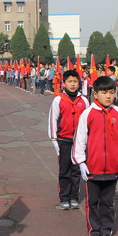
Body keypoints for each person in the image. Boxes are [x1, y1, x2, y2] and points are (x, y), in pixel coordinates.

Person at [73, 76, 118, 236]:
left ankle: (106, 230)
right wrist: (82, 162)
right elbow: (80, 139)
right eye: (104, 92)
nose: (108, 96)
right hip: (93, 168)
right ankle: (94, 230)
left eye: (111, 93)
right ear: (95, 94)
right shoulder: (88, 113)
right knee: (93, 201)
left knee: (108, 202)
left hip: (112, 167)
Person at [48, 70, 90, 210]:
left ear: (79, 83)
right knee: (64, 170)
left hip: (79, 142)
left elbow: (89, 121)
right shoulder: (58, 100)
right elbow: (53, 120)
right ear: (64, 83)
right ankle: (64, 197)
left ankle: (74, 197)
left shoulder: (84, 100)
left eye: (75, 81)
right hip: (64, 140)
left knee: (76, 170)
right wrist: (54, 140)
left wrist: (88, 139)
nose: (72, 84)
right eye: (69, 81)